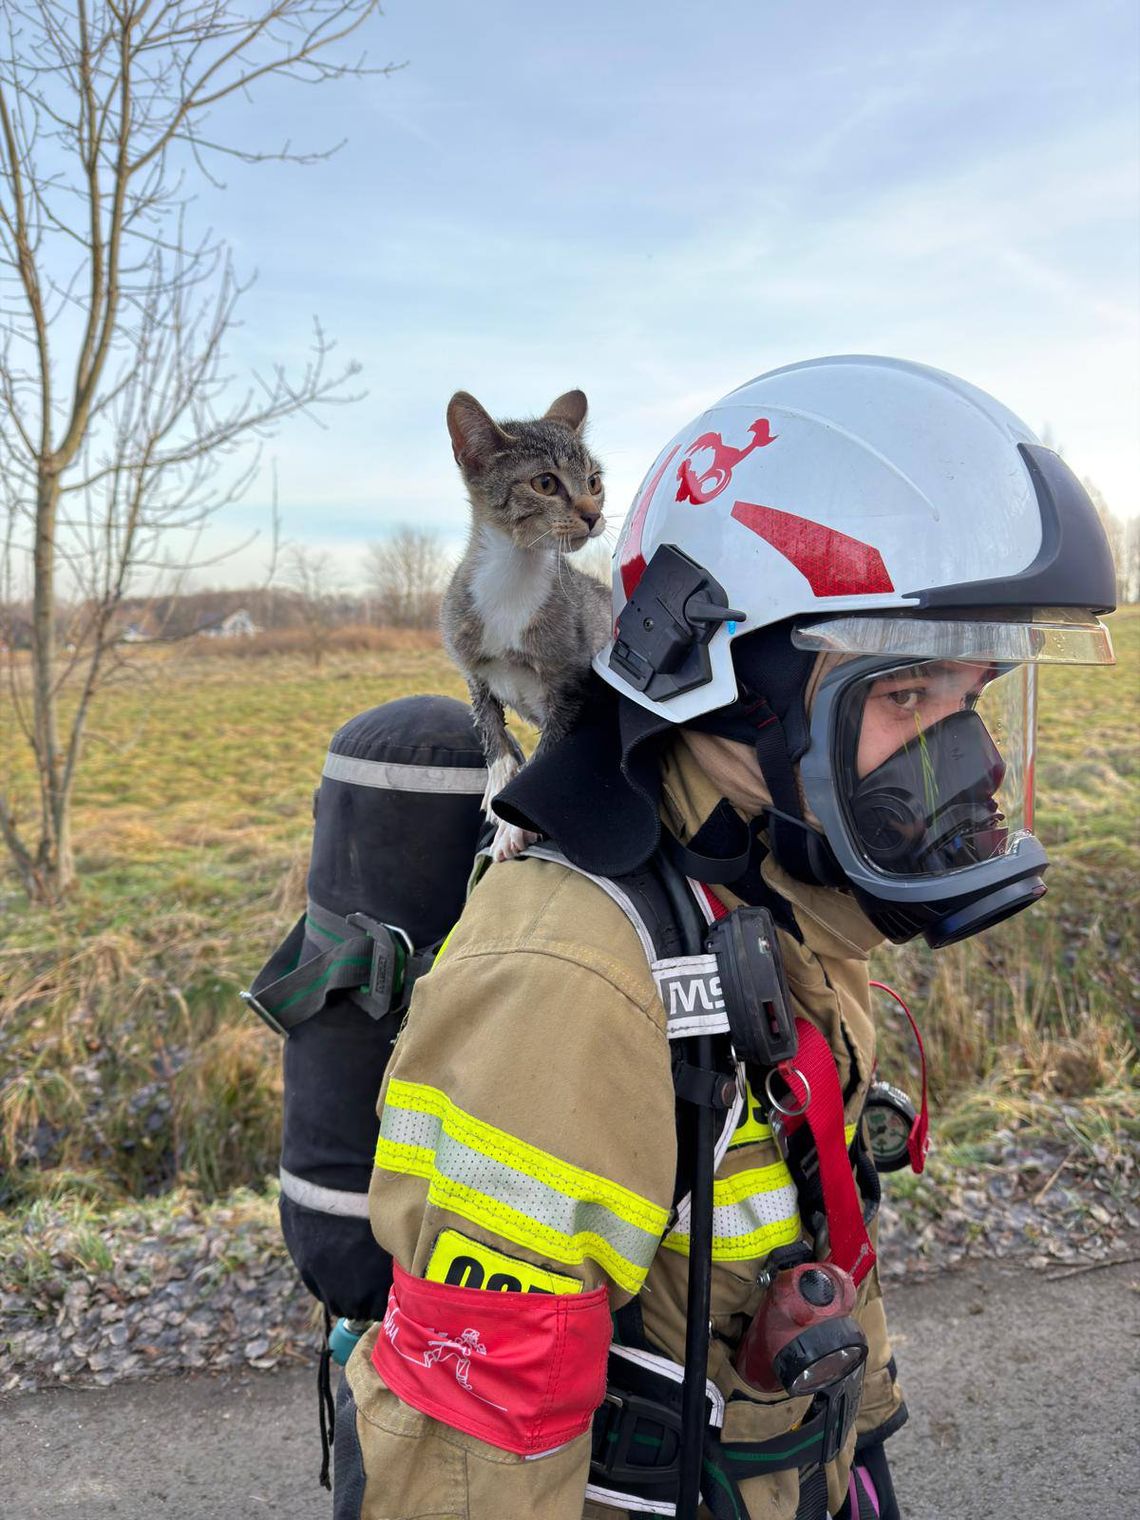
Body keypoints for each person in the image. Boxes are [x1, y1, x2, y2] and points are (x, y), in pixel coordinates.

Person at [332, 356, 1117, 1520]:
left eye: (974, 694)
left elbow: (810, 1224)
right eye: (906, 697)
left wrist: (855, 1446)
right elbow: (466, 1467)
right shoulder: (570, 983)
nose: (973, 763)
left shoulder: (783, 897)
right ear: (735, 685)